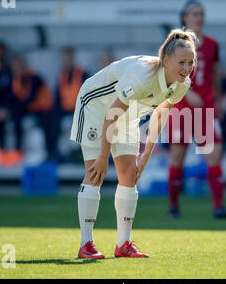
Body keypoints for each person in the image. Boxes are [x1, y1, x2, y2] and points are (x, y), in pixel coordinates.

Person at [71, 28, 197, 259]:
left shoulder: (182, 83)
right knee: (94, 174)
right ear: (165, 61)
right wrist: (102, 158)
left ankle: (123, 245)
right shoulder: (142, 75)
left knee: (129, 176)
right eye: (182, 62)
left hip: (128, 114)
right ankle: (85, 244)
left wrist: (144, 157)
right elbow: (110, 114)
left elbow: (160, 114)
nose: (187, 68)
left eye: (191, 62)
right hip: (96, 107)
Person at [167, 0, 226, 219]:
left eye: (201, 14)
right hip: (182, 108)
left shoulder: (212, 44)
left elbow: (214, 73)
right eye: (195, 14)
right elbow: (167, 75)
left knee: (214, 156)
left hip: (206, 109)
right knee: (178, 158)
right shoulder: (175, 45)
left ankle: (218, 207)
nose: (199, 18)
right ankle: (174, 207)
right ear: (184, 18)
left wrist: (219, 99)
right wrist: (187, 92)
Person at [9, 55, 55, 165]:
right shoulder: (16, 80)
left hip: (43, 108)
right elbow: (12, 98)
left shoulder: (35, 78)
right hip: (30, 108)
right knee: (15, 116)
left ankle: (50, 153)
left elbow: (30, 97)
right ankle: (17, 150)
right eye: (14, 67)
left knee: (48, 123)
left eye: (18, 66)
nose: (16, 69)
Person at [52, 46, 89, 162]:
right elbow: (57, 98)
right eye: (64, 59)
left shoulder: (82, 74)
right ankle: (58, 154)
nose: (66, 62)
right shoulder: (61, 76)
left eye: (68, 58)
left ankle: (78, 155)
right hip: (64, 112)